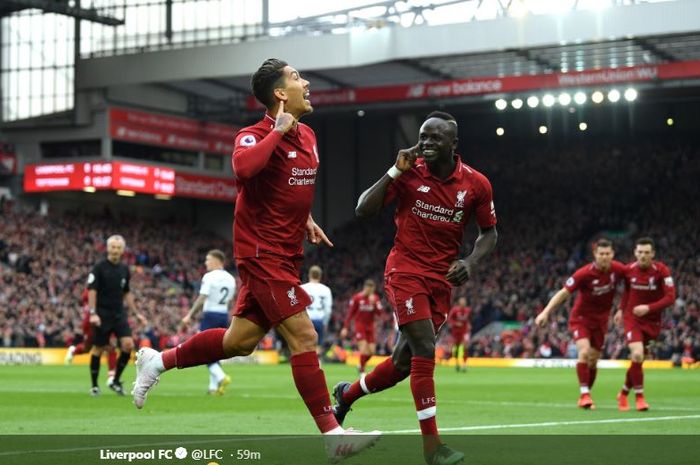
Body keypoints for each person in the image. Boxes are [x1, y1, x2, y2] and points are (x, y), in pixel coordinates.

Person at [132, 58, 378, 461]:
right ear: (280, 93)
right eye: (298, 77)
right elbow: (244, 169)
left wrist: (306, 218)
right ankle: (334, 435)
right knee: (305, 337)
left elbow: (287, 187)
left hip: (286, 252)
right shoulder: (254, 134)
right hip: (261, 254)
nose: (307, 82)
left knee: (238, 342)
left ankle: (158, 361)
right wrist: (277, 132)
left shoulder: (310, 136)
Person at [332, 111, 498, 465]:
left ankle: (346, 395)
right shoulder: (409, 174)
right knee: (424, 346)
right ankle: (433, 448)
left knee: (402, 363)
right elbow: (363, 209)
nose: (426, 144)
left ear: (454, 144)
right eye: (423, 137)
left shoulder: (476, 184)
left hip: (442, 280)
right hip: (405, 271)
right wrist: (395, 171)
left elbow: (490, 233)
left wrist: (469, 262)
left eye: (435, 138)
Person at [535, 238, 626, 409]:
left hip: (601, 321)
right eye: (601, 254)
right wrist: (545, 312)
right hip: (581, 319)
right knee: (584, 352)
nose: (605, 257)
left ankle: (586, 394)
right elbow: (563, 293)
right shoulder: (584, 273)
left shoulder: (618, 269)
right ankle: (585, 394)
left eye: (608, 254)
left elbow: (631, 282)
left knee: (593, 361)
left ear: (612, 254)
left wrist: (622, 308)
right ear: (595, 254)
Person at [614, 237, 676, 411]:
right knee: (638, 354)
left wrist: (648, 308)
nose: (643, 256)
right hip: (632, 318)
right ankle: (640, 398)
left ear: (653, 254)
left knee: (637, 361)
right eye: (640, 252)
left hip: (652, 320)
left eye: (647, 253)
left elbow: (670, 298)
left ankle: (623, 393)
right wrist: (620, 309)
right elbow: (627, 292)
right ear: (635, 253)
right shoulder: (628, 270)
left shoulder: (662, 271)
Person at [87, 235, 146, 396]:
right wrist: (92, 313)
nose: (115, 250)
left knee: (128, 345)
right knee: (98, 348)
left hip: (119, 313)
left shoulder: (124, 269)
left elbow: (127, 292)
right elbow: (92, 290)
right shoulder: (99, 267)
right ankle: (94, 386)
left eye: (118, 248)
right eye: (113, 247)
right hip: (102, 313)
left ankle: (115, 381)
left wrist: (137, 313)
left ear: (122, 250)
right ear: (107, 248)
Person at [181, 250, 236, 395]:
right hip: (223, 315)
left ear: (217, 261)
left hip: (210, 315)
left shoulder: (209, 276)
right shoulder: (231, 278)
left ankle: (221, 376)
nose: (206, 263)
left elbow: (202, 297)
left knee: (201, 349)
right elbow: (230, 299)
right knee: (214, 350)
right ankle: (213, 387)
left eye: (208, 260)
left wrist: (189, 315)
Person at [65, 288, 118, 385]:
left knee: (111, 346)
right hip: (91, 321)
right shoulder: (92, 286)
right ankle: (74, 350)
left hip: (105, 319)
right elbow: (87, 297)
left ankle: (111, 377)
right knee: (87, 348)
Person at [340, 279, 383, 375]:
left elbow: (380, 313)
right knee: (363, 349)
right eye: (369, 289)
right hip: (360, 326)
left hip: (370, 327)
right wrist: (345, 327)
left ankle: (360, 364)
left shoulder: (375, 299)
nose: (370, 291)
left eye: (372, 290)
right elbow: (350, 314)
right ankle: (362, 370)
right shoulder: (357, 298)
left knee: (371, 352)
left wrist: (374, 304)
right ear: (365, 288)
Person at [300, 265, 333, 356]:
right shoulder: (326, 290)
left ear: (309, 275)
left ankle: (305, 366)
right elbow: (328, 309)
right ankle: (317, 366)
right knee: (318, 346)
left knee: (305, 345)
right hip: (319, 320)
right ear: (320, 276)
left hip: (306, 320)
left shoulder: (302, 288)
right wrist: (325, 322)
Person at [447, 297, 471, 373]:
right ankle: (457, 363)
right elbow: (449, 319)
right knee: (456, 348)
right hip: (456, 332)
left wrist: (469, 324)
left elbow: (469, 319)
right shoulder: (454, 310)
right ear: (459, 303)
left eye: (464, 302)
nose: (463, 303)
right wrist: (455, 323)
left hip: (465, 331)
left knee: (465, 347)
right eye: (462, 302)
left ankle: (464, 365)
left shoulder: (468, 310)